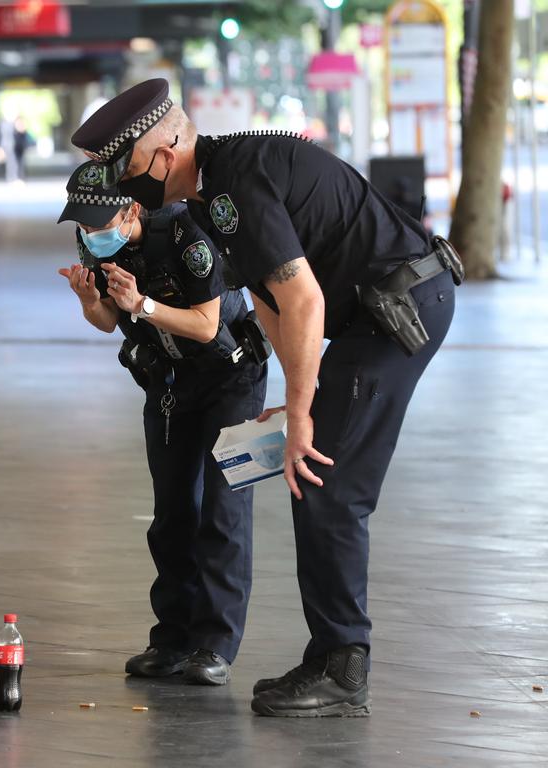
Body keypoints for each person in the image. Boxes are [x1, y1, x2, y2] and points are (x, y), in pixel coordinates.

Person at [71, 79, 460, 717]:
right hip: (372, 316)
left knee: (326, 482)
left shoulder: (233, 183)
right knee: (314, 469)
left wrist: (305, 412)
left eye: (129, 172)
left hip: (399, 309)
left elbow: (304, 297)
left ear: (165, 156)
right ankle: (335, 658)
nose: (125, 190)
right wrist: (294, 398)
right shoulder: (209, 192)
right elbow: (267, 299)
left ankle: (342, 665)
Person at [57, 160, 267, 686]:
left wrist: (142, 304)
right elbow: (110, 320)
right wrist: (92, 303)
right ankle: (171, 639)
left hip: (233, 380)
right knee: (172, 515)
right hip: (169, 384)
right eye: (81, 226)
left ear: (131, 208)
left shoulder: (188, 236)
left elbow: (207, 324)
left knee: (225, 512)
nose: (89, 236)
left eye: (98, 225)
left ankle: (215, 646)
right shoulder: (93, 241)